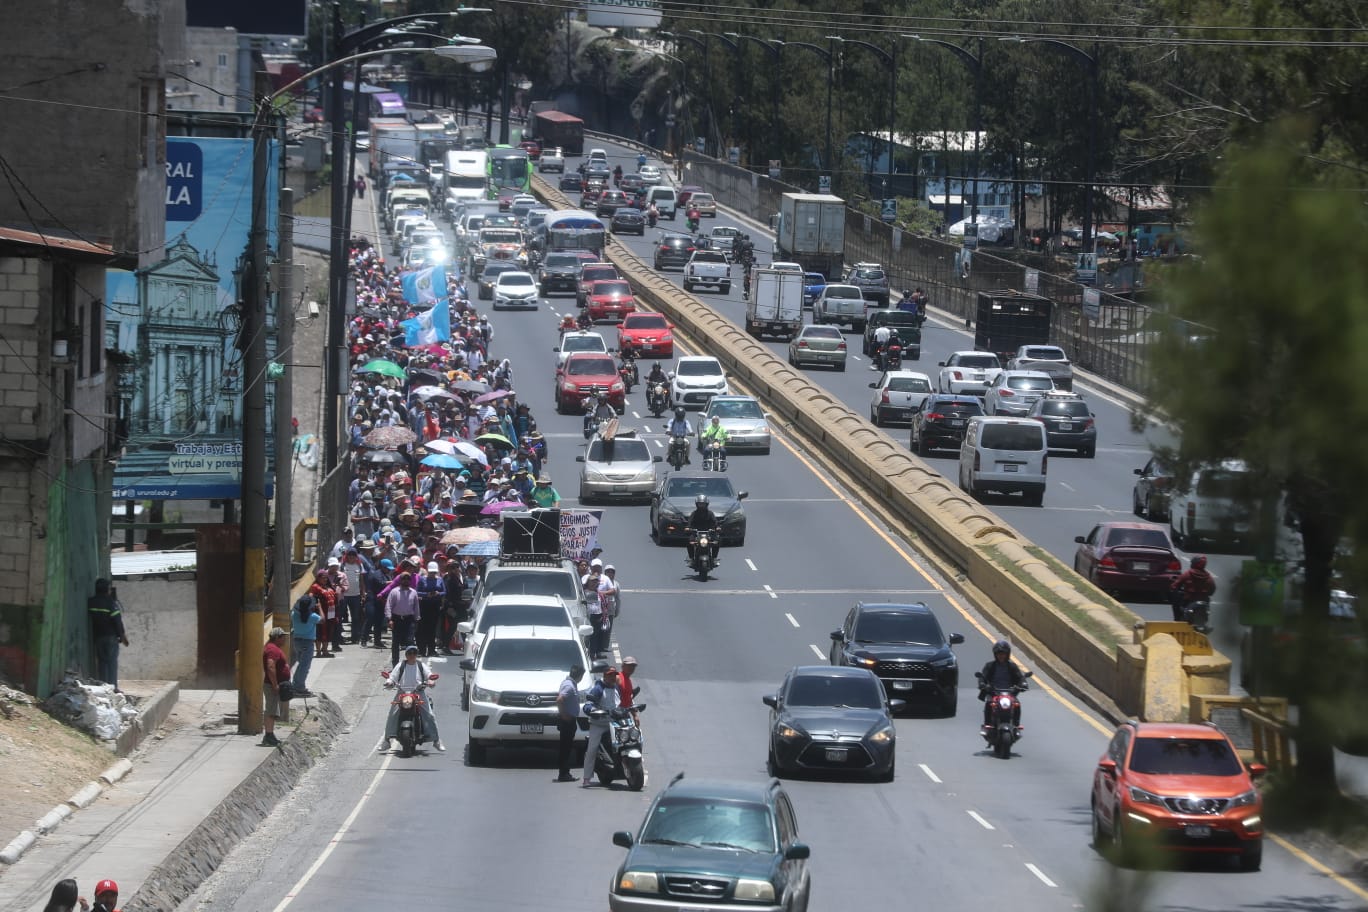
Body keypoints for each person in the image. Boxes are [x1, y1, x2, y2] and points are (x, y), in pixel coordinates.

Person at [379, 645, 444, 752]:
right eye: (410, 653)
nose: (412, 655)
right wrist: (389, 682)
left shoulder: (421, 665)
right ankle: (386, 740)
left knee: (429, 714)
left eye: (414, 653)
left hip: (418, 693)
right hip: (402, 693)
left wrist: (431, 681)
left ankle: (436, 740)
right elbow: (392, 677)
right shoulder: (401, 665)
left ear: (416, 654)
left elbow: (429, 675)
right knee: (392, 714)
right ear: (406, 655)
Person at [581, 666, 623, 787]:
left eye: (614, 675)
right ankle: (587, 778)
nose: (612, 677)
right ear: (604, 676)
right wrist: (593, 710)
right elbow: (587, 705)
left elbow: (620, 704)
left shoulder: (616, 688)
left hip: (614, 723)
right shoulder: (598, 689)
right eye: (609, 675)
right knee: (592, 749)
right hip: (599, 724)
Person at [88, 579, 128, 691]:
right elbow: (117, 621)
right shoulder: (110, 603)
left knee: (102, 663)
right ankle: (113, 688)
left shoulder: (91, 602)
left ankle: (104, 688)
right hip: (111, 637)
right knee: (112, 663)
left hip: (98, 637)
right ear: (107, 589)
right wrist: (123, 636)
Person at [978, 640, 1028, 730]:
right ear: (995, 654)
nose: (1001, 656)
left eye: (1003, 653)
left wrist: (1023, 684)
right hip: (994, 692)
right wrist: (982, 684)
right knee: (989, 703)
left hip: (1009, 693)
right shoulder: (990, 666)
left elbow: (1020, 677)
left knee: (1017, 704)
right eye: (999, 653)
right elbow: (982, 677)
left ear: (1007, 654)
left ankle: (1016, 725)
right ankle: (987, 725)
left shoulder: (1012, 666)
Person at [555, 662, 585, 782]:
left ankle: (564, 772)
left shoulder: (569, 683)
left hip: (568, 720)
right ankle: (563, 774)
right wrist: (565, 715)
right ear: (579, 675)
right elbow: (559, 700)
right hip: (567, 721)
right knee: (565, 748)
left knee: (566, 747)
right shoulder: (569, 686)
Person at [263, 627, 292, 747]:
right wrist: (275, 685)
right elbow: (270, 667)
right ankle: (268, 736)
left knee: (273, 711)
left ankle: (270, 735)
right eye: (283, 637)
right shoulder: (272, 650)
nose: (285, 639)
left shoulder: (273, 648)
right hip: (271, 686)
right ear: (277, 638)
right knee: (271, 711)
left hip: (274, 685)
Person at [385, 572, 421, 666]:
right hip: (397, 619)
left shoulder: (413, 592)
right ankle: (395, 664)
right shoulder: (394, 591)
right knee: (396, 642)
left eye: (408, 578)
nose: (406, 580)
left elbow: (416, 607)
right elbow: (388, 606)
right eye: (404, 578)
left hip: (409, 620)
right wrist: (389, 619)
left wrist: (417, 619)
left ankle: (411, 663)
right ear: (400, 580)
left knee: (410, 642)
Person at [291, 592, 323, 697]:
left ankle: (296, 684)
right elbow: (323, 620)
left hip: (297, 641)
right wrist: (320, 608)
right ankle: (299, 687)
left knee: (301, 665)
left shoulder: (294, 614)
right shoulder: (312, 616)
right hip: (307, 642)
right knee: (304, 666)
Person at [1170, 554, 1216, 623]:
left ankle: (1177, 620)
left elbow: (1174, 586)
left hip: (1189, 600)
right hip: (1204, 602)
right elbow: (1212, 589)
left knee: (1175, 599)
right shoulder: (1208, 577)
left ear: (1194, 563)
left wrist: (1175, 588)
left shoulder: (1188, 574)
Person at [415, 561, 445, 657]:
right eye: (431, 572)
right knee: (423, 628)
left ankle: (431, 650)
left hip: (435, 606)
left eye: (434, 572)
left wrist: (438, 593)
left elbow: (444, 591)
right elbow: (417, 592)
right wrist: (426, 594)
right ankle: (422, 649)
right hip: (424, 605)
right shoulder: (422, 579)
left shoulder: (440, 580)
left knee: (432, 629)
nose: (432, 574)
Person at [595, 565, 621, 658]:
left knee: (608, 629)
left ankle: (605, 646)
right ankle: (599, 645)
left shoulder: (616, 584)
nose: (610, 573)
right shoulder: (603, 581)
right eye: (608, 571)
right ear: (605, 573)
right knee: (600, 628)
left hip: (610, 610)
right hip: (601, 609)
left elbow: (618, 598)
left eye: (612, 572)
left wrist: (617, 610)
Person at [686, 494, 721, 564]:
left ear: (706, 504)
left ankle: (714, 558)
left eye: (703, 504)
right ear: (697, 504)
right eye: (700, 504)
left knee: (717, 541)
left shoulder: (710, 513)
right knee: (689, 541)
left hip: (709, 533)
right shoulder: (694, 513)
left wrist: (717, 527)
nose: (701, 506)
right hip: (696, 533)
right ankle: (691, 558)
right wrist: (688, 528)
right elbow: (690, 521)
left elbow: (715, 521)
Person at [618, 656, 641, 725]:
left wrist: (635, 715)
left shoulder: (628, 681)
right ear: (623, 666)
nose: (631, 668)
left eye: (633, 666)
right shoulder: (618, 677)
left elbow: (629, 699)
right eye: (629, 665)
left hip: (624, 714)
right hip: (614, 714)